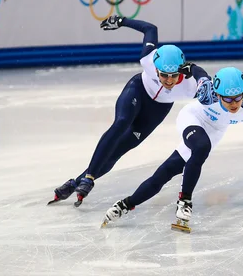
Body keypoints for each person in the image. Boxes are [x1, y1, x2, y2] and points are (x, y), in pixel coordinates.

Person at [48, 15, 208, 207]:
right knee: (121, 122)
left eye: (173, 76)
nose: (168, 80)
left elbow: (210, 87)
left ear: (181, 72)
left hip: (157, 110)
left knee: (118, 151)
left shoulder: (190, 86)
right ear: (156, 69)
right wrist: (121, 21)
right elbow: (150, 28)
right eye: (163, 75)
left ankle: (75, 183)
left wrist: (198, 72)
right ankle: (89, 177)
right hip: (138, 90)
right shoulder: (148, 59)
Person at [100, 67, 243, 233]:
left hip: (215, 131)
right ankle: (185, 202)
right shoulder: (207, 94)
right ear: (217, 94)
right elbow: (198, 72)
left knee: (166, 171)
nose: (234, 104)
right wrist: (187, 67)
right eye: (228, 99)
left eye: (237, 98)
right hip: (193, 118)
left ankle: (125, 204)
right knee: (201, 147)